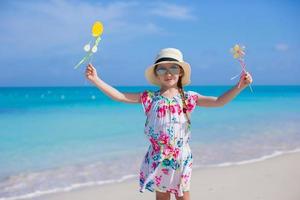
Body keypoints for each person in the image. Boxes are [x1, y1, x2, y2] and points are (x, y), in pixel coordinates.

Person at [85, 48, 253, 200]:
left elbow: (218, 101)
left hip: (181, 156)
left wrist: (240, 86)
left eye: (173, 67)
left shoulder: (188, 98)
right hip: (158, 156)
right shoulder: (149, 97)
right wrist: (96, 79)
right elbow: (120, 96)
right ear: (157, 74)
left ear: (180, 72)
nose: (168, 72)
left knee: (183, 196)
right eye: (162, 68)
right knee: (162, 197)